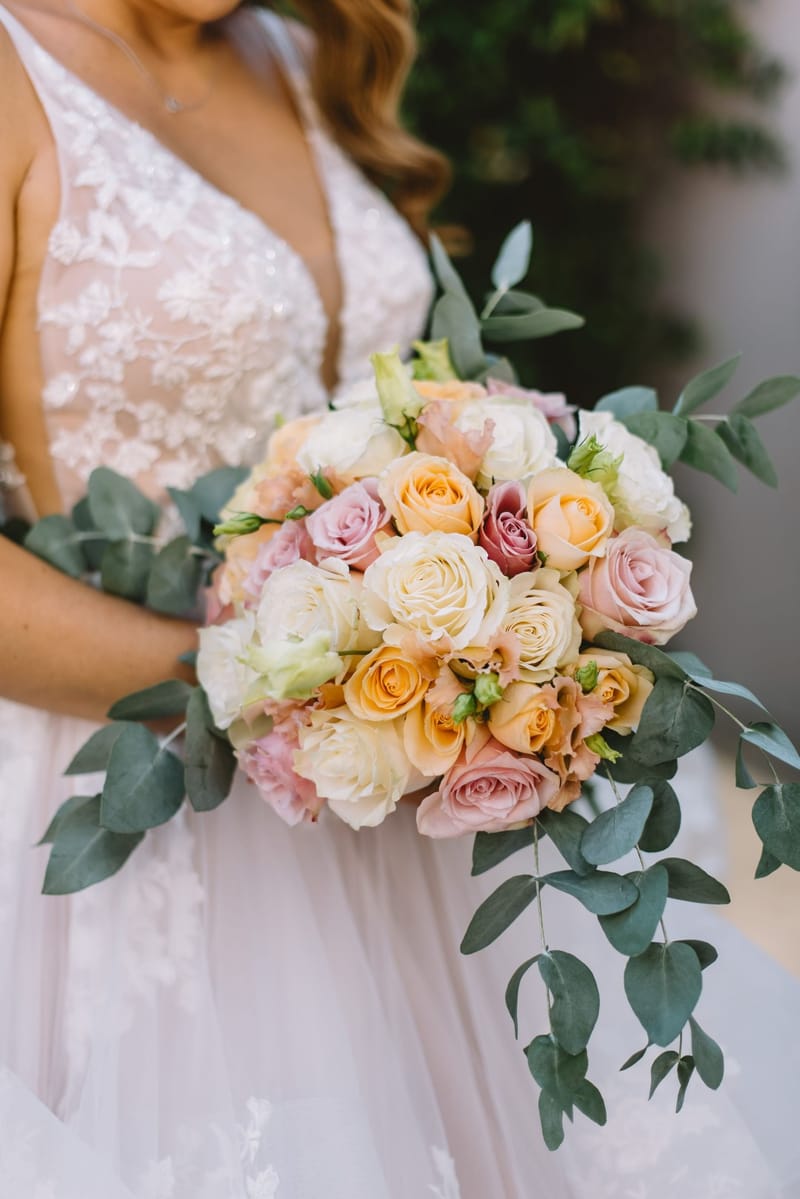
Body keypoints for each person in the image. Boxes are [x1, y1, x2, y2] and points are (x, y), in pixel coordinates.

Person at [0, 3, 799, 1196]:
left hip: (398, 802)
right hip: (131, 799)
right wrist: (289, 691)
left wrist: (504, 574)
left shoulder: (292, 51)